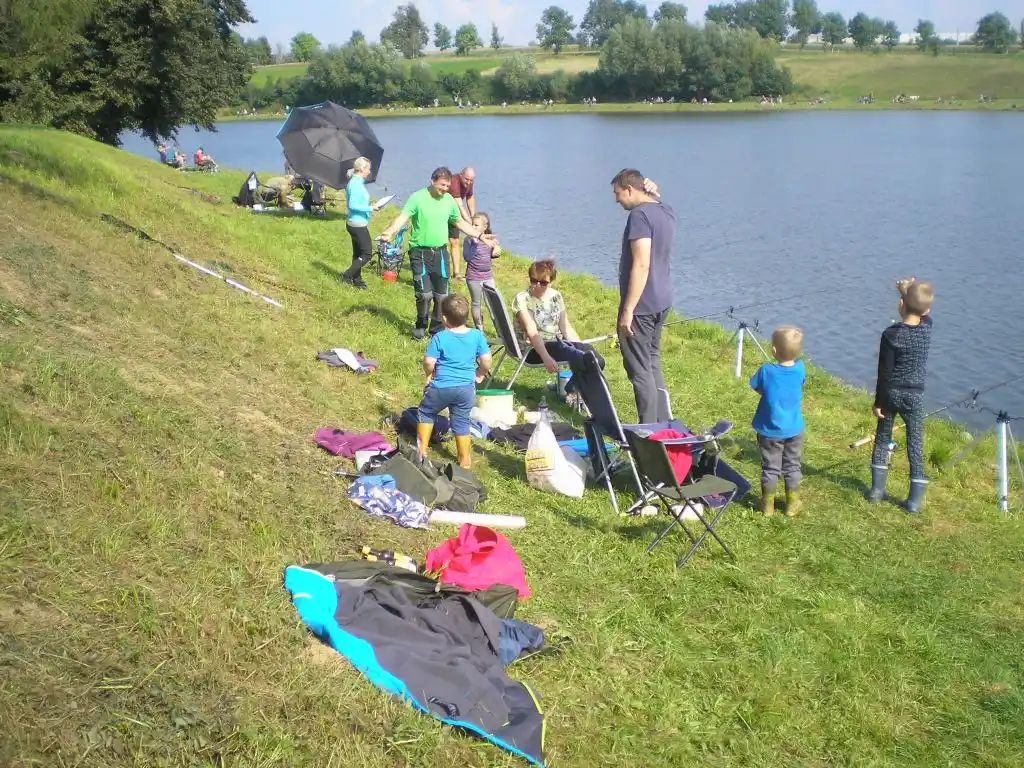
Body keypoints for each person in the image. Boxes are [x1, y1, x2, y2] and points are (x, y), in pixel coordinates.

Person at [380, 167, 483, 340]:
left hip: (440, 253)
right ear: (432, 181)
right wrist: (390, 231)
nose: (445, 189)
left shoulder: (448, 200)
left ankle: (436, 328)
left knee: (442, 296)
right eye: (442, 185)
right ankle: (420, 325)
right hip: (419, 252)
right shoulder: (417, 198)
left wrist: (480, 235)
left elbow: (459, 222)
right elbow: (403, 217)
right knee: (424, 294)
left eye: (447, 186)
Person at [611, 169, 676, 423]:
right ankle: (663, 422)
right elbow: (657, 202)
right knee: (652, 361)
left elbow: (641, 263)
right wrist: (655, 194)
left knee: (639, 369)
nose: (616, 200)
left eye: (618, 193)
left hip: (643, 304)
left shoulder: (639, 216)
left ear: (630, 189)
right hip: (663, 299)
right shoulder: (666, 210)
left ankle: (648, 430)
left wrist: (628, 309)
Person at [867, 277, 935, 513]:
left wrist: (878, 402)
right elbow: (925, 315)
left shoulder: (891, 334)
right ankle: (914, 501)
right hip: (914, 396)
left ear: (900, 304)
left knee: (883, 437)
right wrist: (907, 291)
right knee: (915, 442)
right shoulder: (926, 329)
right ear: (926, 310)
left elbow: (884, 373)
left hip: (891, 393)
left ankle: (877, 490)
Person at [417, 295, 491, 469]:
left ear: (444, 318)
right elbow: (487, 360)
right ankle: (465, 461)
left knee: (426, 412)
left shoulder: (440, 337)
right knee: (461, 421)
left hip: (441, 387)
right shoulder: (476, 335)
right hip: (466, 389)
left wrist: (429, 373)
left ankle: (421, 452)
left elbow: (429, 362)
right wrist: (480, 372)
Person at [750, 327, 807, 518]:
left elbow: (756, 387)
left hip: (769, 430)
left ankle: (767, 505)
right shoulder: (800, 369)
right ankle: (792, 504)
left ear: (774, 350)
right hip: (794, 429)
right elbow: (801, 384)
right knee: (792, 466)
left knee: (770, 467)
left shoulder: (766, 371)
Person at [512, 259, 605, 375]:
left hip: (559, 344)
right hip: (533, 349)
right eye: (533, 281)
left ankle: (576, 384)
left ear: (551, 282)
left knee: (594, 358)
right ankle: (578, 384)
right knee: (587, 361)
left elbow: (565, 327)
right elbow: (531, 332)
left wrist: (580, 345)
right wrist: (546, 358)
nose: (537, 286)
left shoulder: (556, 296)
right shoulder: (522, 299)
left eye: (543, 283)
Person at [340, 157, 380, 290]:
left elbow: (358, 202)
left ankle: (357, 280)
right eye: (368, 169)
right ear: (362, 169)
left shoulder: (357, 182)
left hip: (356, 222)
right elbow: (353, 205)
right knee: (367, 254)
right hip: (357, 225)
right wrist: (370, 208)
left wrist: (371, 205)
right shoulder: (355, 184)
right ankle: (347, 275)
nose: (369, 171)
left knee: (358, 254)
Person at [463, 212, 501, 329]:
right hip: (473, 277)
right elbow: (467, 257)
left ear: (485, 227)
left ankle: (499, 329)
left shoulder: (489, 239)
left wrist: (496, 249)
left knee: (492, 304)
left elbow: (495, 254)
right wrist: (474, 245)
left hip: (488, 277)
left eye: (476, 225)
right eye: (472, 225)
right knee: (476, 302)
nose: (473, 227)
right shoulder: (468, 240)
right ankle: (479, 329)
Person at [447, 166, 476, 279]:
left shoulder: (469, 183)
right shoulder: (454, 182)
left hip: (453, 215)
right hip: (443, 213)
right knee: (441, 243)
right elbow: (460, 205)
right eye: (466, 179)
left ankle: (457, 274)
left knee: (455, 242)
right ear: (461, 175)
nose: (468, 182)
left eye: (471, 180)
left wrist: (473, 216)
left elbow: (470, 197)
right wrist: (470, 223)